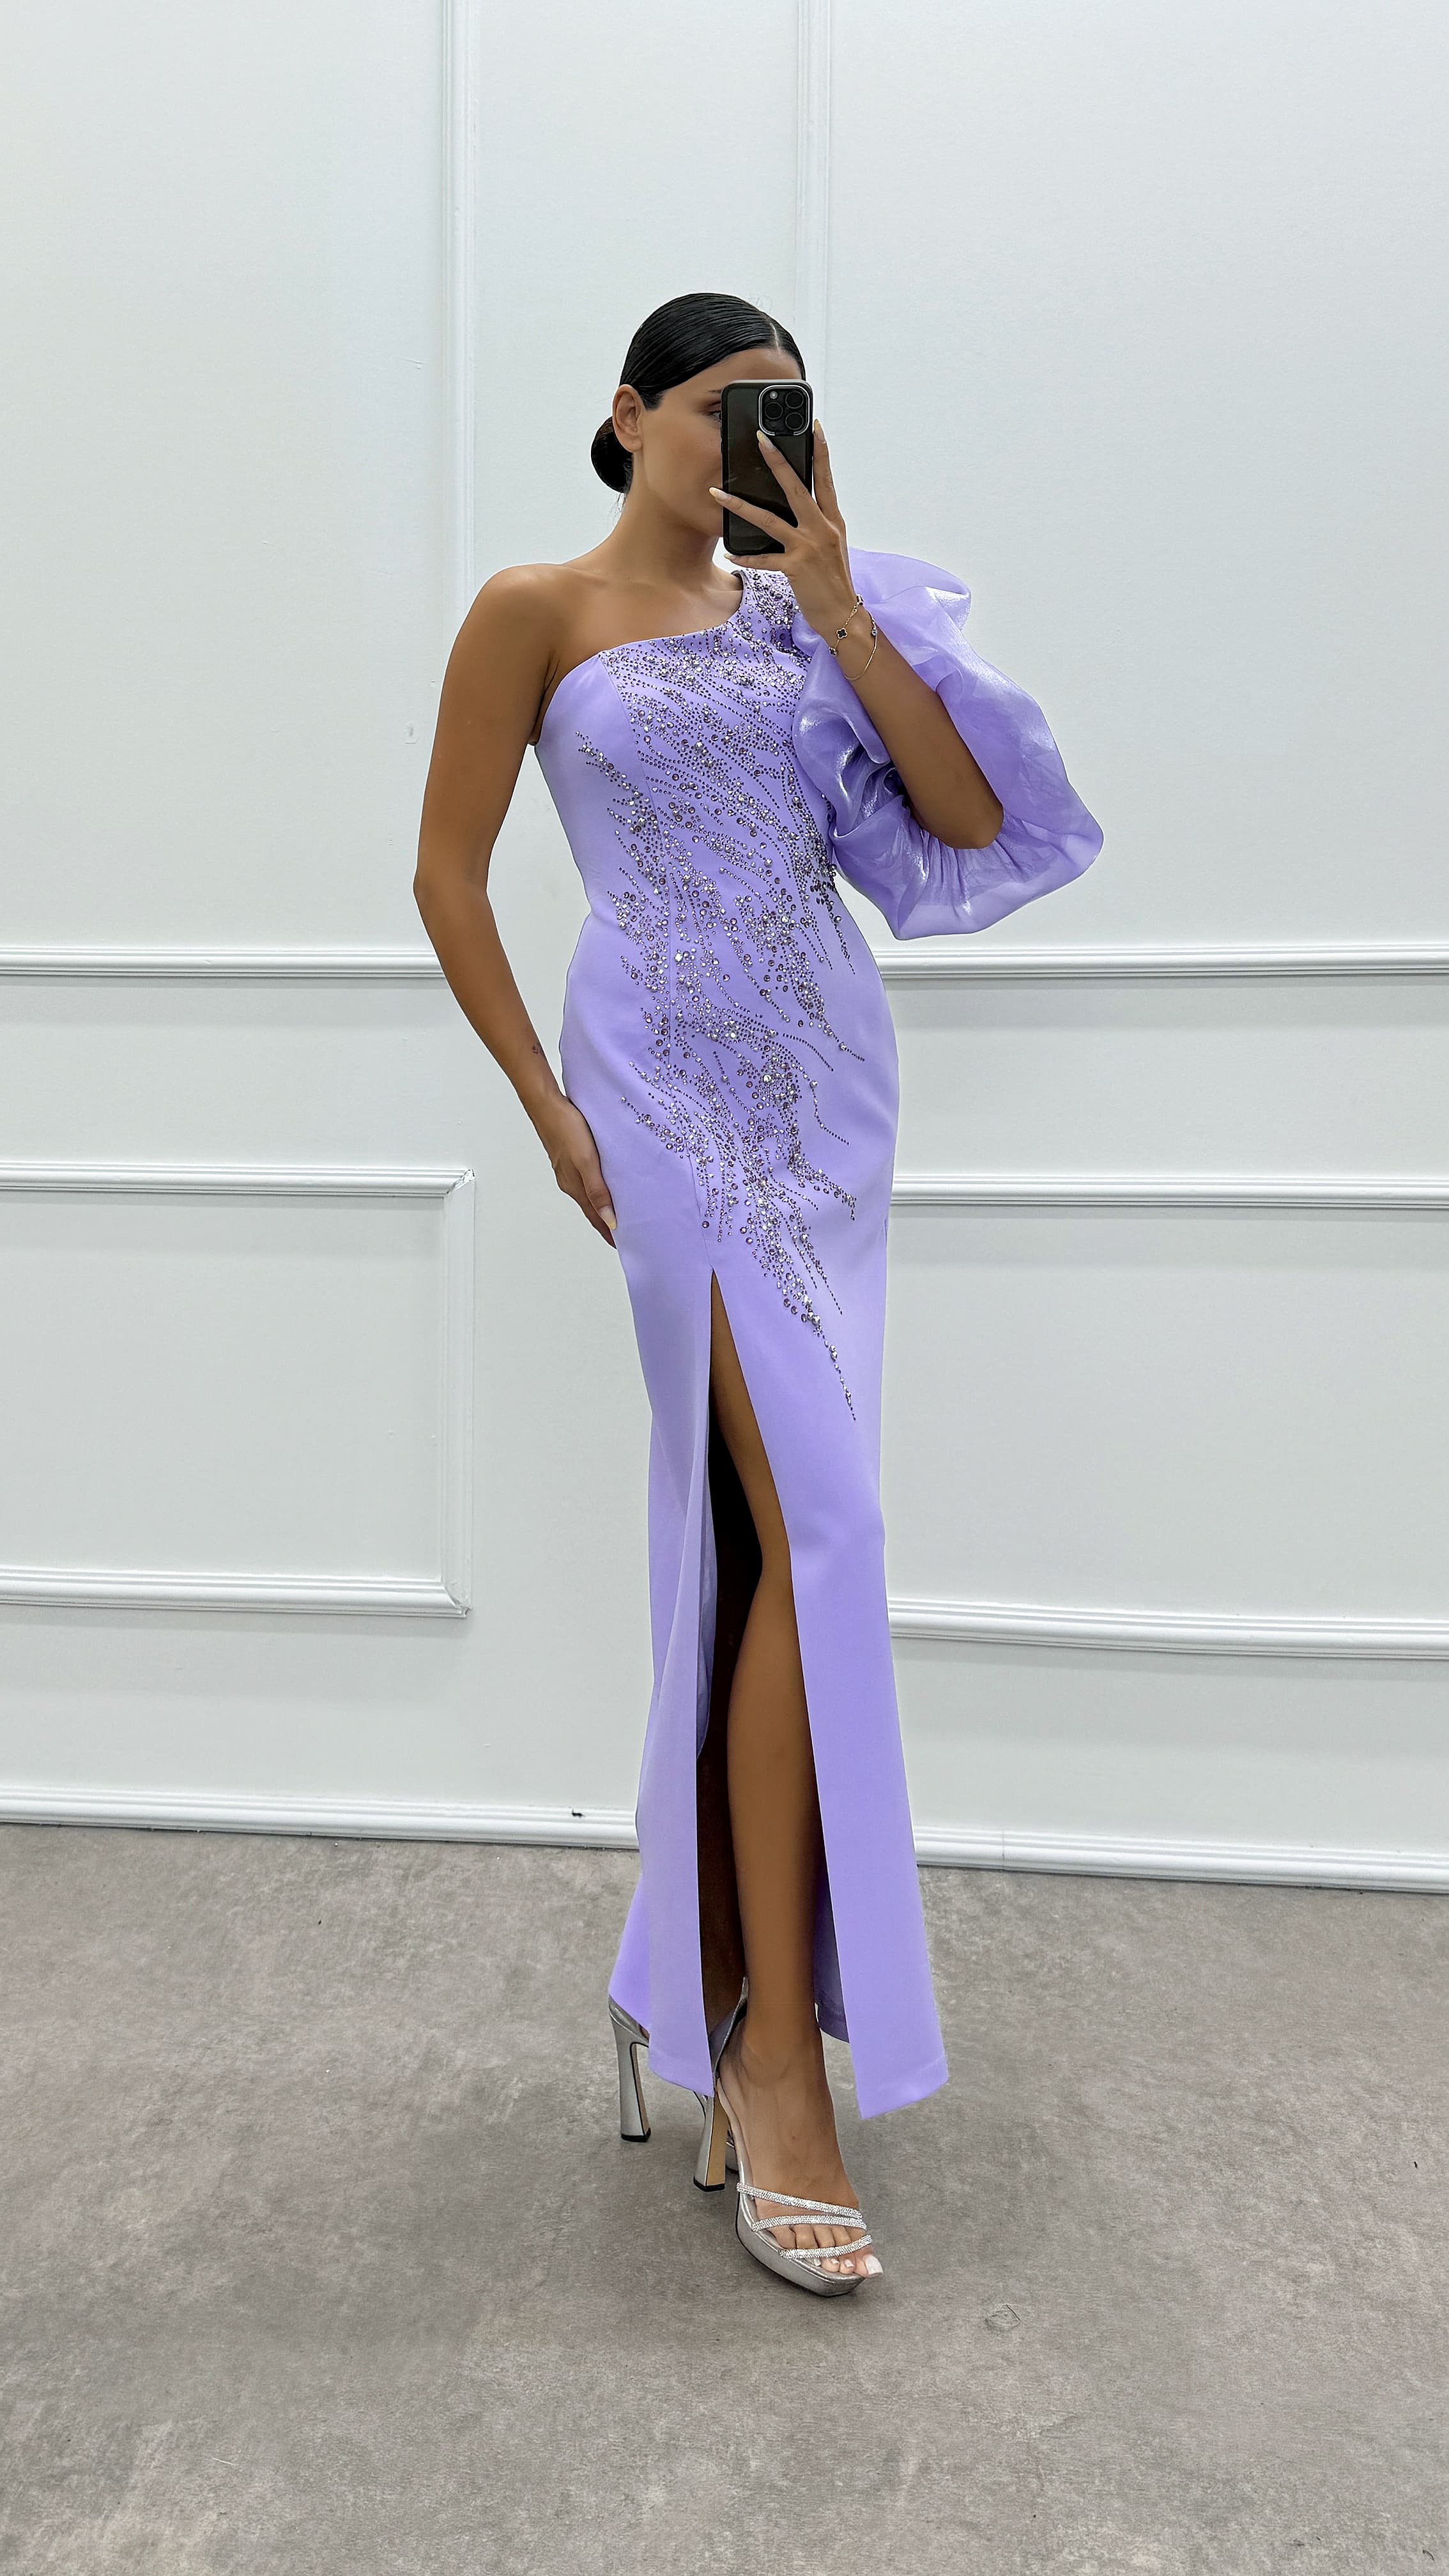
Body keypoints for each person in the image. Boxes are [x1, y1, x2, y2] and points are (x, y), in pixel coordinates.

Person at [414, 290, 1101, 2297]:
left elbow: (965, 830)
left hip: (824, 1087)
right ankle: (773, 2052)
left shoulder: (808, 623)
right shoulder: (533, 611)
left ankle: (718, 1993)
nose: (755, 442)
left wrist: (840, 603)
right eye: (728, 408)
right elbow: (449, 873)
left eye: (786, 411)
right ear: (630, 415)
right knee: (818, 1521)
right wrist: (547, 1109)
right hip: (655, 1086)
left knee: (770, 1533)